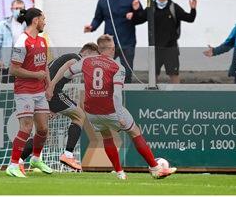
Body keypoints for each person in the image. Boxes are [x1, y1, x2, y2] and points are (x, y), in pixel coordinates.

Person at [63, 34, 177, 180]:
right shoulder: (118, 67)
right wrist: (119, 115)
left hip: (91, 110)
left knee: (106, 136)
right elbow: (116, 94)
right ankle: (155, 168)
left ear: (98, 49)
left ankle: (120, 173)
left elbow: (68, 73)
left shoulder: (86, 61)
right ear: (112, 49)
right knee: (135, 132)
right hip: (110, 109)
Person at [19, 43, 99, 172]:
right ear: (87, 52)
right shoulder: (77, 58)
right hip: (52, 91)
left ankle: (25, 160)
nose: (93, 61)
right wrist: (51, 86)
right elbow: (65, 67)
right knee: (79, 115)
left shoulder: (65, 57)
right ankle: (68, 155)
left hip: (40, 90)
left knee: (43, 132)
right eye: (94, 56)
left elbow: (49, 69)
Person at [6, 8, 53, 178]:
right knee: (26, 127)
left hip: (40, 91)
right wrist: (35, 75)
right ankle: (12, 165)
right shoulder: (22, 41)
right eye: (43, 18)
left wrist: (49, 86)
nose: (45, 22)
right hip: (24, 90)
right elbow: (13, 70)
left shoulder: (42, 40)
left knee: (43, 129)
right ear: (35, 20)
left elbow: (44, 65)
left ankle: (35, 158)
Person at [127, 0, 197, 83]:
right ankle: (153, 94)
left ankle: (176, 95)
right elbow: (138, 20)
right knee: (153, 74)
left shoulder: (174, 7)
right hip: (155, 47)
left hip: (171, 47)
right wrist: (135, 11)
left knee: (174, 73)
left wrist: (193, 9)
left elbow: (190, 18)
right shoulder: (151, 8)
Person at [83, 0, 144, 83]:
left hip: (127, 42)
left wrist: (136, 11)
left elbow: (141, 18)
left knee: (127, 71)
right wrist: (92, 27)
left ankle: (126, 92)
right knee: (106, 68)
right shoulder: (103, 0)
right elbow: (98, 18)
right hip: (108, 42)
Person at [0, 0, 26, 83]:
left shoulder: (29, 24)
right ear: (11, 9)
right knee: (8, 90)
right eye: (16, 8)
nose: (18, 11)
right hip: (7, 65)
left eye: (21, 8)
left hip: (25, 64)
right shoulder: (3, 24)